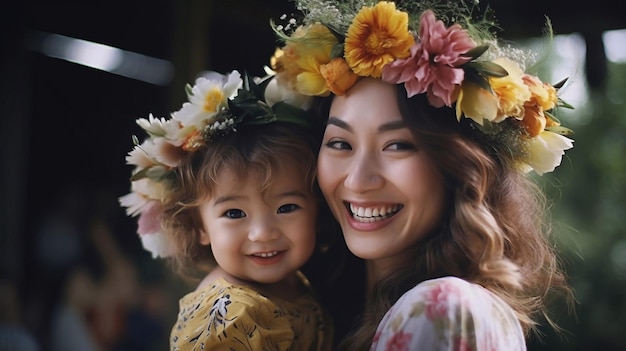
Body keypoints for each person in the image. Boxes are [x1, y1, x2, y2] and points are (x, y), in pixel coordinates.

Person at [269, 0, 576, 350]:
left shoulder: (443, 308)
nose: (357, 180)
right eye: (340, 143)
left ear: (459, 165)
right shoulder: (318, 313)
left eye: (398, 145)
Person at [119, 70, 334, 350]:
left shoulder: (296, 282)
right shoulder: (228, 315)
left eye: (287, 207)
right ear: (199, 226)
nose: (263, 233)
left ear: (316, 208)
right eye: (234, 213)